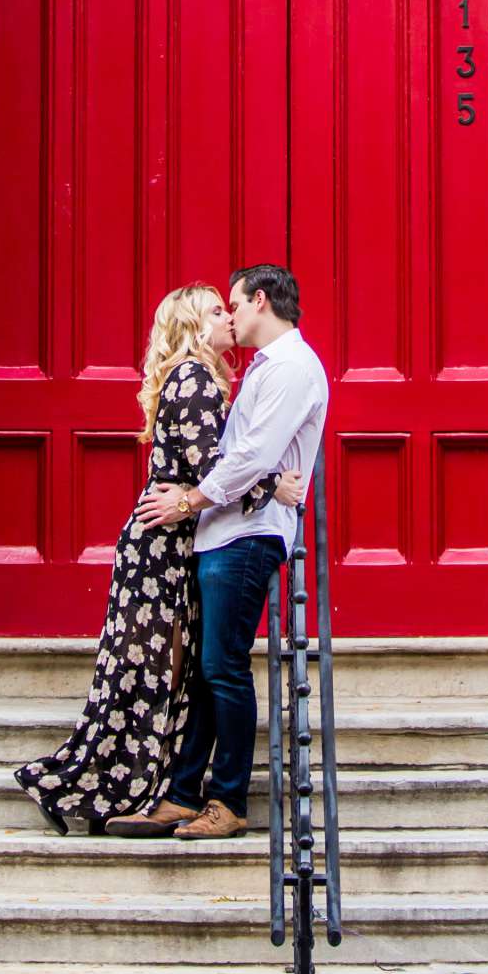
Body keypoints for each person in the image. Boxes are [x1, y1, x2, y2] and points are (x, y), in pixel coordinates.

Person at [11, 283, 300, 834]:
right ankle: (86, 786)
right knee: (144, 678)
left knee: (173, 675)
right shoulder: (193, 380)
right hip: (161, 552)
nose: (229, 317)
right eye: (217, 311)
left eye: (230, 305)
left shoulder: (201, 379)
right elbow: (210, 467)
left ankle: (147, 787)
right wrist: (274, 487)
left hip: (175, 545)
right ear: (193, 325)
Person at [109, 263, 329, 843]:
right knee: (209, 674)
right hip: (220, 532)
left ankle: (227, 800)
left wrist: (190, 500)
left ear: (260, 301)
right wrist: (202, 503)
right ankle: (183, 795)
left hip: (247, 536)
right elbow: (238, 456)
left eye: (233, 304)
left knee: (224, 670)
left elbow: (253, 455)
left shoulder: (292, 369)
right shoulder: (263, 368)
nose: (229, 315)